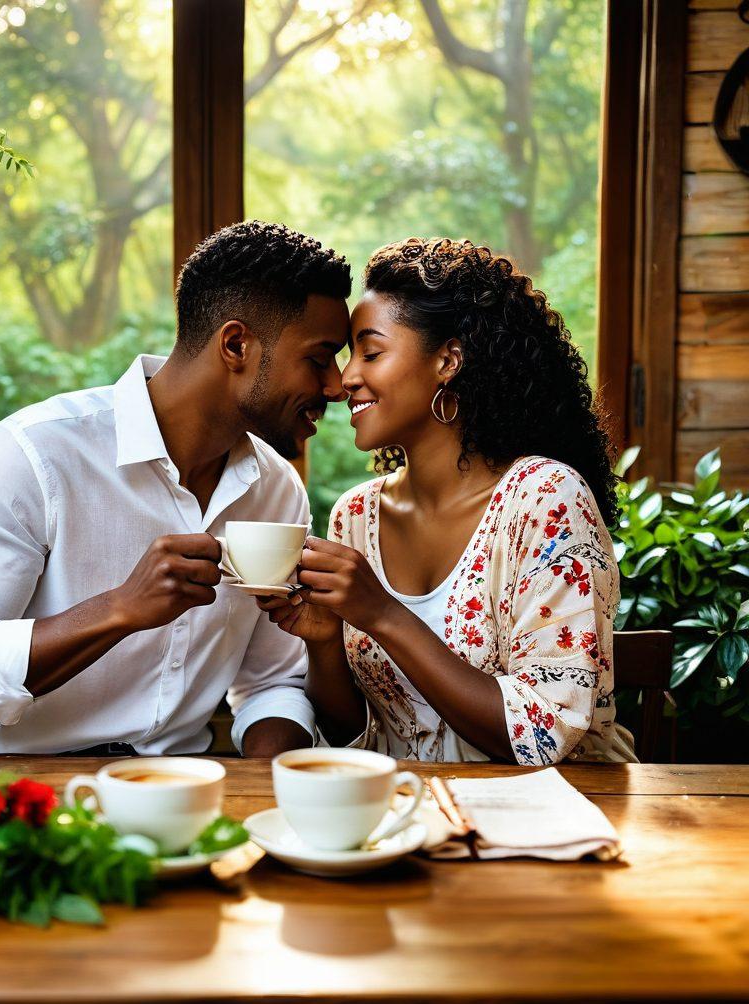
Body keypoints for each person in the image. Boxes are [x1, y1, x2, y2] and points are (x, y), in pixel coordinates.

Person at [0, 221, 351, 756]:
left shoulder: (276, 489)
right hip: (24, 802)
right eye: (319, 358)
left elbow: (272, 683)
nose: (337, 386)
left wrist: (280, 786)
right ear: (235, 344)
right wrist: (118, 610)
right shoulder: (33, 455)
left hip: (187, 802)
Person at [259, 237, 635, 765]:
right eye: (347, 356)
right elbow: (355, 732)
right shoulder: (355, 515)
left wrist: (383, 614)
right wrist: (324, 644)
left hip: (553, 819)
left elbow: (541, 737)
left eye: (371, 351)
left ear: (448, 360)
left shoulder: (544, 500)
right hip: (406, 816)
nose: (346, 379)